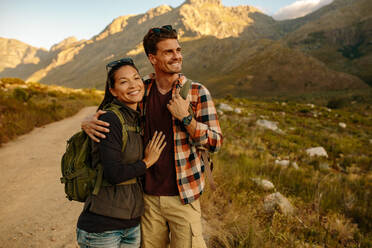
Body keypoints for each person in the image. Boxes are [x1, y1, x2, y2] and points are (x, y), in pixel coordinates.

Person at [82, 25, 223, 248]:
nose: (177, 56)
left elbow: (216, 142)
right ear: (152, 58)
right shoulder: (141, 89)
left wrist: (187, 119)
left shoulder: (197, 92)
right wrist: (88, 122)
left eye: (178, 49)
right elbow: (112, 113)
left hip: (183, 196)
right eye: (168, 52)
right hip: (146, 198)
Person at [76, 58, 166, 248]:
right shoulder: (110, 119)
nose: (133, 85)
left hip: (131, 225)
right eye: (124, 82)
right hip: (103, 228)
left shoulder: (135, 117)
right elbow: (113, 174)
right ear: (113, 90)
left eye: (136, 78)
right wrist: (147, 162)